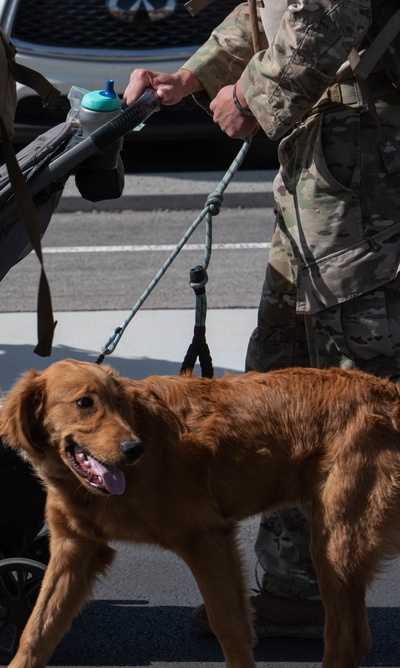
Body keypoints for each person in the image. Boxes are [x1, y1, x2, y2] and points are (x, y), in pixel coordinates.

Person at [124, 0, 400, 640]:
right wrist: (191, 77)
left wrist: (251, 93)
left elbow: (332, 12)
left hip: (374, 193)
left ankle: (318, 591)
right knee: (285, 393)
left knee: (366, 407)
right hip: (323, 183)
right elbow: (270, 9)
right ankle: (297, 591)